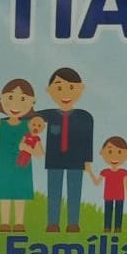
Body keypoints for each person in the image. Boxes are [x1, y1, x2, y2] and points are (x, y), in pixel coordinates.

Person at [38, 67, 93, 232]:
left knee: (74, 192)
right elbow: (26, 114)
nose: (65, 93)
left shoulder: (85, 117)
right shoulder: (50, 115)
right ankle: (52, 223)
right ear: (49, 90)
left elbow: (88, 140)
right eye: (59, 88)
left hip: (76, 161)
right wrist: (1, 121)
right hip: (54, 160)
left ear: (81, 88)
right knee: (53, 193)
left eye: (71, 87)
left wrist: (88, 161)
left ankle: (73, 223)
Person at [0, 78, 37, 232]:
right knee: (5, 194)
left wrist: (27, 148)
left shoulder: (29, 126)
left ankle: (19, 222)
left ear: (32, 102)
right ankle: (4, 222)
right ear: (1, 98)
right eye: (10, 97)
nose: (15, 104)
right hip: (3, 166)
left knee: (20, 195)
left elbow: (38, 151)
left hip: (22, 166)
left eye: (22, 99)